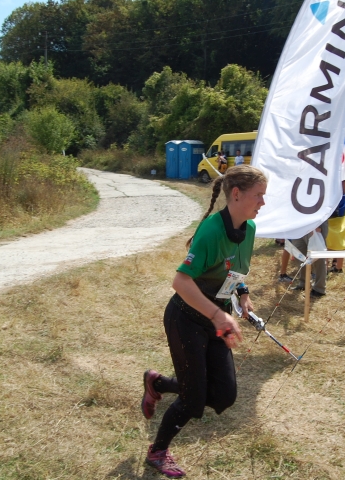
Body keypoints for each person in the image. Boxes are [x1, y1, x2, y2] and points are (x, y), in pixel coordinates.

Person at [141, 165, 266, 478]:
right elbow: (180, 282)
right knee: (192, 399)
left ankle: (158, 383)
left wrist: (243, 294)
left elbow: (235, 270)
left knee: (225, 396)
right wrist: (218, 314)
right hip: (186, 319)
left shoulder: (249, 228)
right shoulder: (211, 231)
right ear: (236, 194)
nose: (263, 202)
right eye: (258, 195)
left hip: (215, 319)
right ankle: (157, 451)